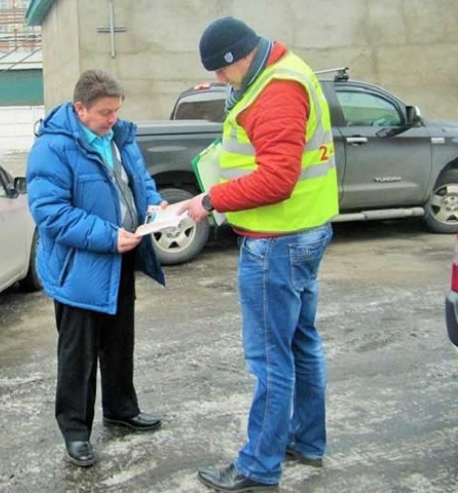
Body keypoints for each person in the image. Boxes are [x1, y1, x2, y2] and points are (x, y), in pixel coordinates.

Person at [180, 16, 339, 492]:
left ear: (238, 58)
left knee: (270, 357)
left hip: (278, 242)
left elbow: (277, 179)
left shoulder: (275, 91)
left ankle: (258, 465)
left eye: (221, 72)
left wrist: (209, 201)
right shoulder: (281, 70)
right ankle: (307, 440)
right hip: (302, 231)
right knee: (299, 343)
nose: (220, 80)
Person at [26, 69, 166, 467]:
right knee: (79, 355)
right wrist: (107, 235)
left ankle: (121, 409)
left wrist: (155, 206)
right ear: (80, 109)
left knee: (120, 342)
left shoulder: (119, 138)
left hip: (121, 257)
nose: (113, 119)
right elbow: (51, 213)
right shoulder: (52, 149)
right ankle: (75, 431)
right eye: (106, 112)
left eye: (117, 111)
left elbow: (140, 181)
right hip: (79, 268)